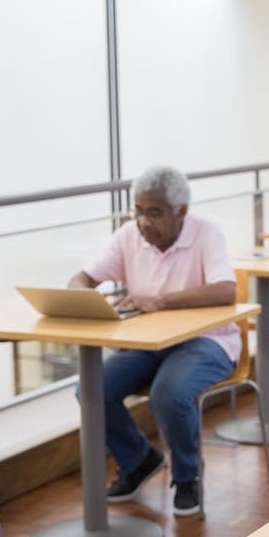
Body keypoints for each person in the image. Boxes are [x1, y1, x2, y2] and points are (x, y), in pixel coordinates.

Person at [70, 165, 237, 517]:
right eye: (138, 211)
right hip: (148, 345)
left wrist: (161, 301)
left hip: (206, 341)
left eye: (154, 213)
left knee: (169, 393)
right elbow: (82, 279)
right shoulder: (129, 235)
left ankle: (187, 476)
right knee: (91, 389)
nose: (143, 222)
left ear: (181, 212)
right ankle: (139, 460)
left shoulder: (208, 233)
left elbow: (226, 290)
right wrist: (88, 299)